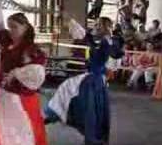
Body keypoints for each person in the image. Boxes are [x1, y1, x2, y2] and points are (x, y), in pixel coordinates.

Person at [44, 17, 124, 145]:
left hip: (94, 81)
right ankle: (55, 114)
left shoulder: (109, 41)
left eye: (99, 25)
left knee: (89, 110)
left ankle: (92, 138)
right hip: (88, 77)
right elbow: (84, 35)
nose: (96, 26)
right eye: (96, 24)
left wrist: (109, 44)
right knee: (67, 91)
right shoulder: (94, 39)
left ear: (106, 27)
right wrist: (70, 21)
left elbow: (116, 54)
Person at [0, 0, 47, 145]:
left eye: (15, 27)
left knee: (18, 131)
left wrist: (17, 73)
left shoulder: (31, 49)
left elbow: (37, 71)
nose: (11, 30)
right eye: (10, 27)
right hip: (2, 93)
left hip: (18, 96)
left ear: (25, 27)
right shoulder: (8, 41)